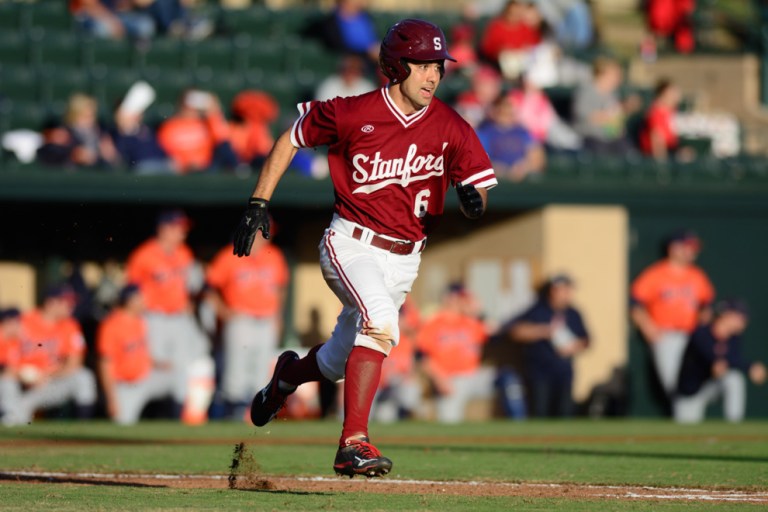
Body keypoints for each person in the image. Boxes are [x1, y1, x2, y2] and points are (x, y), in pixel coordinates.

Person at [231, 19, 497, 478]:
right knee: (380, 323)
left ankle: (287, 377)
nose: (433, 75)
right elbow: (291, 137)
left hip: (405, 257)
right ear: (396, 66)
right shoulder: (352, 111)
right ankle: (353, 442)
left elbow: (478, 187)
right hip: (352, 241)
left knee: (337, 361)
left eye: (438, 66)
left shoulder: (451, 125)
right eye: (422, 65)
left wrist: (474, 202)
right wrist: (259, 201)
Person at [125, 209, 212, 422]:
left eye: (182, 229)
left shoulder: (184, 253)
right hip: (155, 318)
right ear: (163, 228)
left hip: (180, 319)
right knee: (155, 367)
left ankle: (180, 417)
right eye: (177, 228)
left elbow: (193, 287)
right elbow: (130, 291)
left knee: (186, 366)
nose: (181, 233)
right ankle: (148, 415)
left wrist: (190, 303)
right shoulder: (144, 255)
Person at [205, 228, 289, 420]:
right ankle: (230, 416)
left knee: (260, 372)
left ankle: (253, 417)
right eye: (262, 234)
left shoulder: (274, 255)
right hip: (240, 318)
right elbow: (209, 286)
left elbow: (280, 288)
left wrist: (278, 315)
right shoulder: (232, 253)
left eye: (267, 235)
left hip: (266, 318)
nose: (265, 238)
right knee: (235, 372)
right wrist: (222, 310)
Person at [631, 230, 715, 399]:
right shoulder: (655, 274)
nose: (692, 251)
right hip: (666, 334)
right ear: (674, 248)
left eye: (693, 248)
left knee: (696, 381)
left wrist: (704, 325)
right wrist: (648, 327)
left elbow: (707, 304)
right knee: (673, 385)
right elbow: (634, 303)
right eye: (687, 247)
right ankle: (685, 420)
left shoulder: (696, 275)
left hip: (692, 336)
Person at [4, 286, 97, 425]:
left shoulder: (70, 325)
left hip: (50, 383)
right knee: (6, 382)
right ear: (50, 302)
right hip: (22, 383)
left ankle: (84, 426)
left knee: (83, 376)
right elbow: (7, 361)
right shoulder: (23, 321)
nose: (71, 306)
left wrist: (46, 375)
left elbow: (74, 363)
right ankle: (12, 415)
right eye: (66, 302)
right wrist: (23, 376)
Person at [507, 274, 589, 417]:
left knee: (564, 412)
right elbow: (516, 331)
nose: (565, 294)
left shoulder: (573, 313)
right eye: (561, 290)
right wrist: (544, 331)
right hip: (540, 371)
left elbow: (586, 340)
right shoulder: (538, 310)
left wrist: (573, 347)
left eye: (567, 290)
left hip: (564, 371)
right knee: (541, 411)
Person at [674, 299, 766, 423]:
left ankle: (734, 425)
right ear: (725, 315)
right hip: (691, 392)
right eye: (739, 317)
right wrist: (749, 367)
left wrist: (750, 368)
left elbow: (732, 360)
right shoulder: (702, 332)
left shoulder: (734, 338)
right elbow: (712, 358)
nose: (743, 322)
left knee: (734, 379)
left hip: (712, 386)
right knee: (686, 431)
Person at [97, 284, 174, 425]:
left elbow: (141, 354)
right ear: (130, 300)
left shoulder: (141, 321)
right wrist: (111, 399)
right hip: (124, 386)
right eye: (140, 298)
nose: (144, 301)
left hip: (146, 379)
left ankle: (182, 423)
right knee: (122, 425)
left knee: (180, 376)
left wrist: (158, 364)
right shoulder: (111, 325)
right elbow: (105, 364)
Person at [417, 284, 494, 423]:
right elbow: (422, 356)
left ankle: (520, 429)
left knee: (509, 381)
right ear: (448, 298)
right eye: (459, 297)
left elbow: (494, 330)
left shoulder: (471, 321)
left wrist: (477, 311)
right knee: (449, 418)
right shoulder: (433, 321)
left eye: (464, 298)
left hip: (476, 376)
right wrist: (439, 378)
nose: (460, 301)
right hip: (451, 378)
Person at [157, 89, 238, 174]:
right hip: (181, 171)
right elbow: (166, 151)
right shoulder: (169, 126)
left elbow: (223, 139)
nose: (190, 109)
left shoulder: (207, 123)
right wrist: (185, 164)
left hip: (209, 169)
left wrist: (214, 112)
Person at [572, 57, 638, 156]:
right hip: (591, 139)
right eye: (614, 74)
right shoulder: (586, 91)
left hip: (612, 138)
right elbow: (585, 115)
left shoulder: (613, 94)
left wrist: (626, 108)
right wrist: (611, 115)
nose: (618, 78)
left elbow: (616, 119)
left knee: (629, 152)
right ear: (603, 74)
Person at [372, 296, 422, 423]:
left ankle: (407, 414)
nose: (401, 321)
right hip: (374, 387)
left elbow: (412, 369)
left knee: (410, 388)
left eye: (402, 317)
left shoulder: (409, 341)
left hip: (395, 388)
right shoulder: (378, 338)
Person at [37, 93, 118, 170]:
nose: (90, 120)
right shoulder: (63, 133)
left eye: (92, 115)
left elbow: (118, 162)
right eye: (85, 116)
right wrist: (73, 156)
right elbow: (48, 157)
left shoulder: (103, 131)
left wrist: (110, 156)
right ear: (74, 114)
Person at [476, 94, 545, 181]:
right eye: (502, 111)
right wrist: (499, 170)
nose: (506, 115)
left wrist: (524, 167)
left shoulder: (522, 131)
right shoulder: (484, 132)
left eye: (509, 111)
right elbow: (478, 160)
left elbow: (537, 157)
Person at [639, 78, 695, 162]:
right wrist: (662, 165)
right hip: (659, 153)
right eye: (672, 93)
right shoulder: (656, 113)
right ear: (664, 94)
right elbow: (657, 140)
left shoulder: (672, 111)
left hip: (673, 148)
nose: (676, 96)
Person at [480, 1, 543, 67]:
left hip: (522, 64)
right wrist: (500, 50)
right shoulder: (496, 27)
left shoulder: (526, 28)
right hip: (497, 64)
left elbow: (536, 46)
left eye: (517, 13)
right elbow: (487, 46)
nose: (514, 16)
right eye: (512, 13)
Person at [228, 90, 281, 169]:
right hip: (239, 160)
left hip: (258, 158)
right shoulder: (236, 127)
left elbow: (264, 149)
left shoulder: (261, 128)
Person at [0, 308, 22, 424]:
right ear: (7, 322)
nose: (20, 325)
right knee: (7, 381)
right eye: (17, 321)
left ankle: (10, 415)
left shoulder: (14, 341)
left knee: (22, 418)